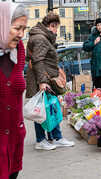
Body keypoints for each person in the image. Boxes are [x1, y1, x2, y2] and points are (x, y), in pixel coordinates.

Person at [26, 12, 74, 150]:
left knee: (50, 108)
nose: (56, 31)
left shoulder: (42, 37)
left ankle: (55, 137)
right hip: (42, 80)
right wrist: (42, 81)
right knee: (41, 110)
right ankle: (41, 140)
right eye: (55, 27)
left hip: (46, 78)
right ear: (50, 26)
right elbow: (38, 60)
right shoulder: (41, 38)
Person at [0, 2, 28, 179]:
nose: (21, 34)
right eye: (17, 28)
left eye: (24, 29)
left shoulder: (19, 50)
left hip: (15, 139)